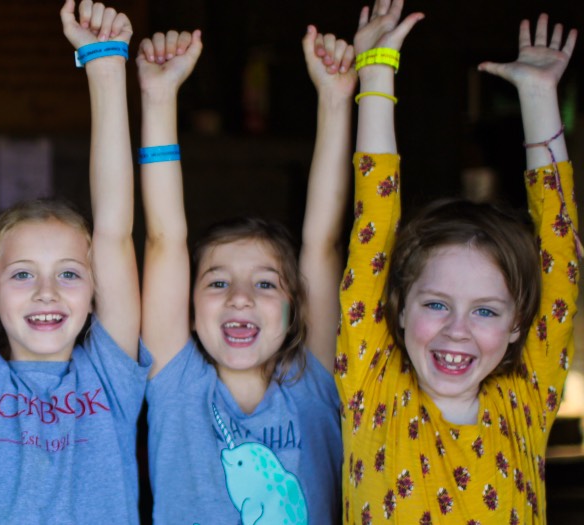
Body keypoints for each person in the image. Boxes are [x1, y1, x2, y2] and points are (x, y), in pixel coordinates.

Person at [337, 0, 577, 520]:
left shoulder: (524, 398)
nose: (457, 331)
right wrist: (376, 66)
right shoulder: (374, 385)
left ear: (518, 325)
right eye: (437, 304)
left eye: (487, 311)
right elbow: (373, 228)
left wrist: (538, 96)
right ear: (397, 308)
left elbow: (559, 260)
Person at [0, 0, 147, 522]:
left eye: (68, 273)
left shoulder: (111, 376)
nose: (48, 291)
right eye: (22, 274)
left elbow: (114, 231)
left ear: (95, 292)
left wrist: (107, 69)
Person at [138, 20, 354, 524]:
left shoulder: (313, 383)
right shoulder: (177, 382)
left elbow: (323, 243)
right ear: (187, 309)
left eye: (264, 283)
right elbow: (164, 238)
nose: (239, 297)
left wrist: (336, 99)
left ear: (295, 307)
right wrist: (159, 97)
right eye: (217, 281)